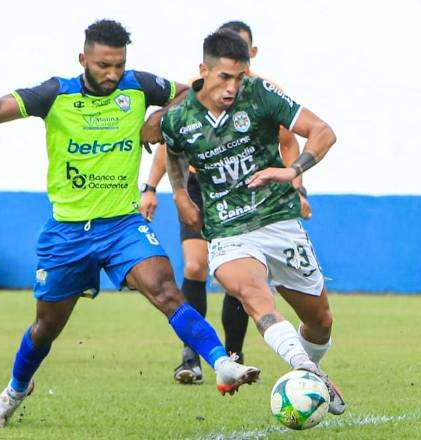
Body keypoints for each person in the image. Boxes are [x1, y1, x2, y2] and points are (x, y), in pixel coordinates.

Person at [0, 19, 260, 429]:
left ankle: (220, 362)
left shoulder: (137, 86)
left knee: (166, 291)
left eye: (119, 65)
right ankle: (17, 386)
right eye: (104, 65)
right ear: (83, 59)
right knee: (46, 327)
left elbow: (193, 91)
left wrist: (158, 121)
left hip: (122, 225)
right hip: (67, 232)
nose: (113, 74)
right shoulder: (56, 94)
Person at [161, 29, 345, 415]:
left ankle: (309, 362)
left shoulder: (260, 95)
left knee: (320, 322)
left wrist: (292, 171)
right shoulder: (178, 118)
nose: (232, 87)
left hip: (279, 221)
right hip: (228, 231)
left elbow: (323, 132)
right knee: (254, 295)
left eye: (240, 77)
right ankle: (307, 371)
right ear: (203, 71)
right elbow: (173, 153)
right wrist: (179, 193)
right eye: (225, 77)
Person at [140, 20, 311, 384]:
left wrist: (299, 185)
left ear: (251, 55)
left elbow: (288, 142)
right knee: (196, 265)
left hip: (257, 193)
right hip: (203, 189)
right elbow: (170, 144)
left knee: (244, 278)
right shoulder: (195, 95)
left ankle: (234, 353)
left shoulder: (262, 92)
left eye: (243, 62)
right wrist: (155, 189)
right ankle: (192, 356)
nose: (233, 79)